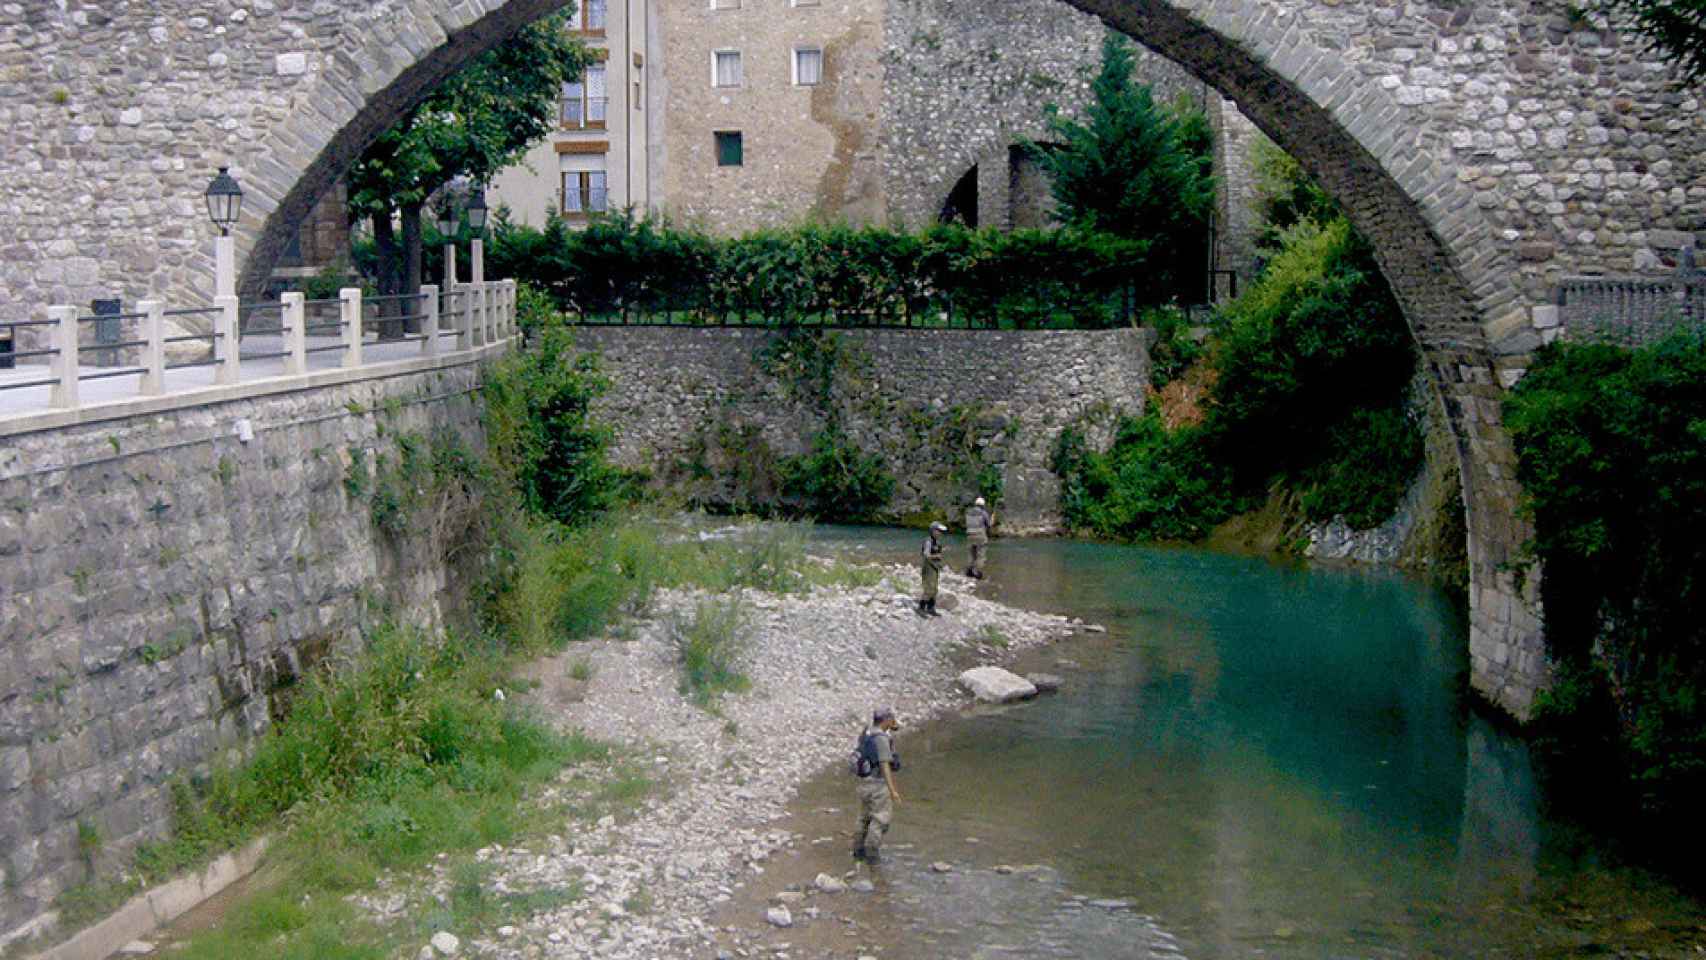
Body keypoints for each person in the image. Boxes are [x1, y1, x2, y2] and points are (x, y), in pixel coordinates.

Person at [854, 707, 902, 864]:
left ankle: (858, 851)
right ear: (886, 720)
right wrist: (892, 790)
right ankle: (872, 853)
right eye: (891, 718)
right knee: (880, 819)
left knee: (864, 817)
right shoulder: (881, 738)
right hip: (878, 784)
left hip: (864, 783)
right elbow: (884, 765)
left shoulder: (867, 732)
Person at [918, 522, 946, 617]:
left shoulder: (938, 543)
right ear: (933, 531)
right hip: (928, 567)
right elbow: (926, 555)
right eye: (938, 531)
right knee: (928, 589)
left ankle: (931, 608)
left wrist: (939, 564)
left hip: (935, 568)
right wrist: (936, 556)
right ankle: (921, 608)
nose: (940, 533)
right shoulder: (928, 541)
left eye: (941, 532)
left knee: (934, 589)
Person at [964, 496, 993, 579]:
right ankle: (978, 573)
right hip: (980, 536)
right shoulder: (983, 513)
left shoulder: (968, 512)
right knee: (981, 555)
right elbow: (988, 525)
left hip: (970, 535)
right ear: (982, 505)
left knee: (971, 554)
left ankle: (969, 571)